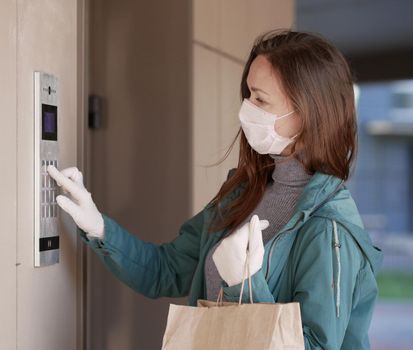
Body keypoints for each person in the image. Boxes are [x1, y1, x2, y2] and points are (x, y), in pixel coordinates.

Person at [47, 29, 383, 349]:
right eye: (248, 94)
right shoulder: (243, 192)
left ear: (308, 114)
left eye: (260, 100)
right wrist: (99, 228)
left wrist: (244, 285)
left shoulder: (329, 228)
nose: (246, 109)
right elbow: (165, 271)